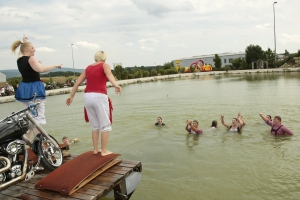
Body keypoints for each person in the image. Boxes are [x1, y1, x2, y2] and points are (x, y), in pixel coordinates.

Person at [66, 50, 121, 156]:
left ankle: (96, 149)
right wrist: (116, 85)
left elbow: (77, 82)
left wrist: (71, 96)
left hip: (87, 97)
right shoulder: (105, 65)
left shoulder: (88, 68)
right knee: (105, 125)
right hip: (99, 96)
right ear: (104, 57)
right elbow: (109, 75)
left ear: (95, 57)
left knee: (95, 126)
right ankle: (104, 151)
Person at [11, 34, 62, 141]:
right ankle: (37, 142)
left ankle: (27, 141)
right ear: (26, 49)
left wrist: (24, 41)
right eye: (32, 47)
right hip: (34, 88)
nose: (35, 49)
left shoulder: (20, 59)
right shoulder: (31, 58)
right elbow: (40, 69)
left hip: (24, 88)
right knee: (38, 117)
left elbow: (20, 53)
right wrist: (55, 65)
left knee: (29, 116)